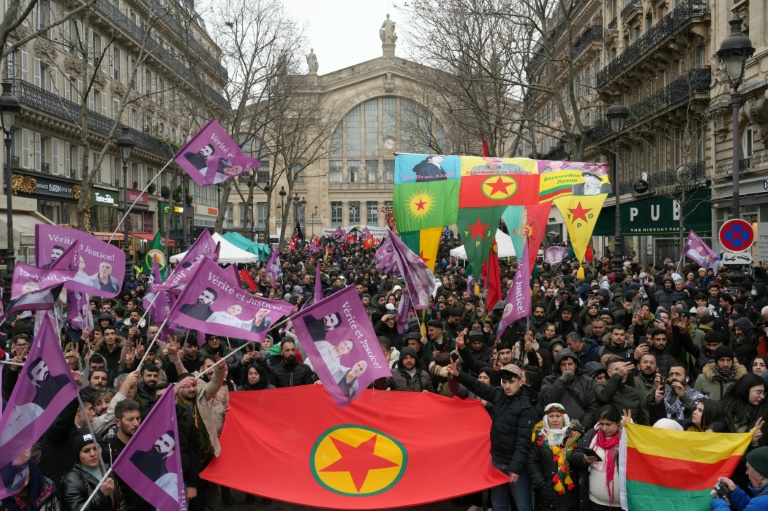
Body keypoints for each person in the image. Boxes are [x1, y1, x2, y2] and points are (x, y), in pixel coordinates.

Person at [446, 359, 536, 511]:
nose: (507, 386)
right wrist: (458, 374)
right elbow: (477, 386)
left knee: (523, 507)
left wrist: (515, 468)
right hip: (497, 461)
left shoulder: (527, 408)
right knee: (498, 505)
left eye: (511, 382)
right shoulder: (499, 394)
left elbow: (524, 442)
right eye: (504, 382)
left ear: (520, 382)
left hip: (516, 466)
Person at [0, 357, 74, 448]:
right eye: (39, 372)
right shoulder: (33, 403)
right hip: (45, 440)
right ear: (33, 381)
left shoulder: (63, 379)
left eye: (44, 366)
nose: (44, 371)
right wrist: (13, 370)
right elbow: (10, 394)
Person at [527, 403, 582, 511]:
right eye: (551, 416)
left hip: (569, 490)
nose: (555, 420)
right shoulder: (539, 436)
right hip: (546, 491)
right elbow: (532, 461)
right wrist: (541, 483)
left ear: (564, 418)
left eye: (558, 416)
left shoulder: (574, 436)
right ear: (546, 419)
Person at [571, 405, 626, 511]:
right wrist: (584, 458)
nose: (604, 428)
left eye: (608, 424)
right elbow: (574, 454)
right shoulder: (592, 434)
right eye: (601, 424)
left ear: (618, 423)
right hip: (595, 502)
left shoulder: (626, 437)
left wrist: (629, 431)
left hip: (620, 505)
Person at [60, 429, 126, 511]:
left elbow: (120, 501)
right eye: (86, 451)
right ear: (78, 454)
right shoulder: (71, 479)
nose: (93, 454)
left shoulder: (108, 470)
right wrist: (101, 494)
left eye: (96, 448)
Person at [712, 446, 768, 510]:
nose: (746, 472)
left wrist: (719, 503)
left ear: (761, 475)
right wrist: (734, 491)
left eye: (748, 469)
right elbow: (753, 508)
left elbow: (758, 506)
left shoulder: (762, 502)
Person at [129, 431, 178, 499]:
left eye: (166, 444)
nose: (160, 444)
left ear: (170, 453)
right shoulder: (138, 455)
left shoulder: (163, 475)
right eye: (160, 439)